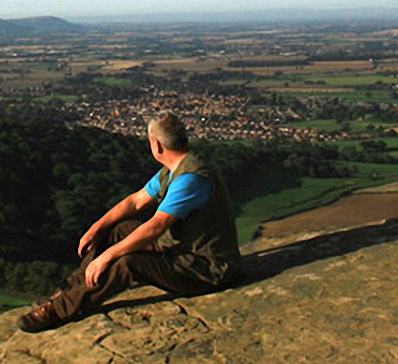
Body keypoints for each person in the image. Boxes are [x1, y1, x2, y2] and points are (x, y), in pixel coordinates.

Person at [17, 111, 241, 333]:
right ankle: (65, 293)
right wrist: (96, 229)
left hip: (205, 270)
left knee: (128, 263)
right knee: (119, 230)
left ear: (157, 145)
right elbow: (134, 202)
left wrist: (107, 256)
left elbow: (155, 227)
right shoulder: (173, 170)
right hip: (181, 250)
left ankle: (60, 310)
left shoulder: (190, 179)